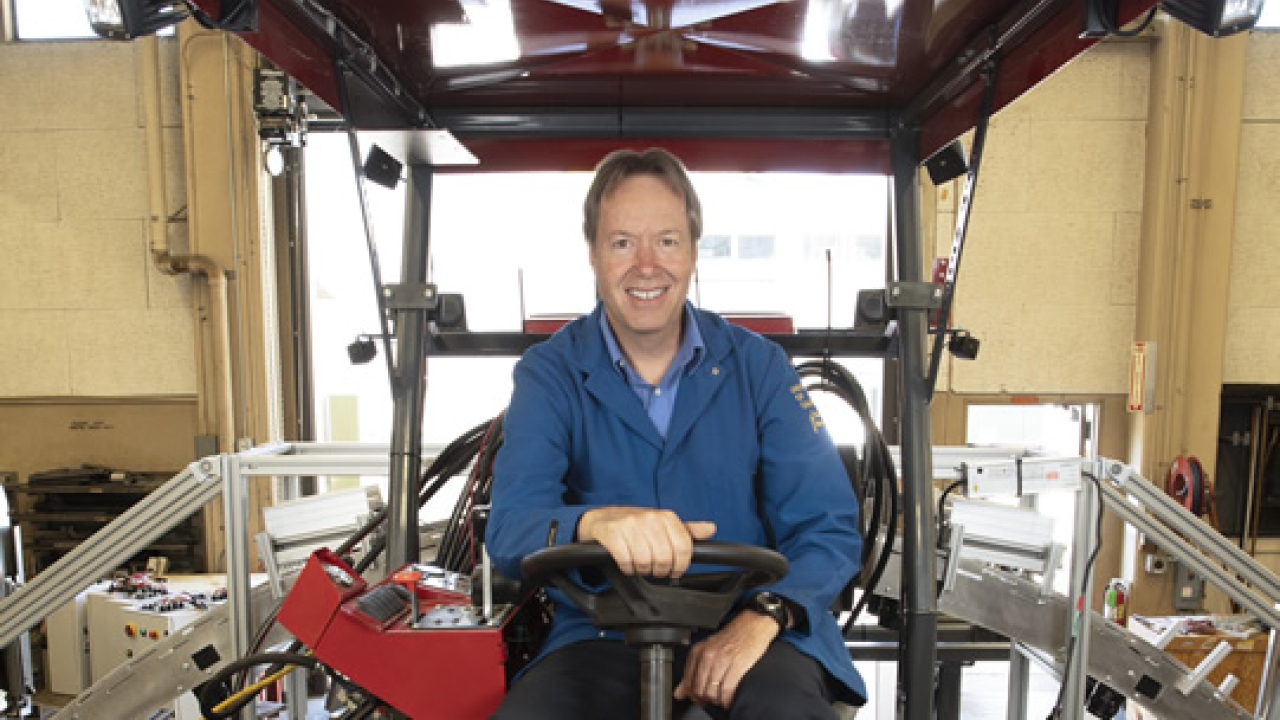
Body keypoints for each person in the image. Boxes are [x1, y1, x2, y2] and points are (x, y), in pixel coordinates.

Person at [485, 148, 865, 719]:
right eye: (621, 242)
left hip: (753, 631)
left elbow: (827, 528)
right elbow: (512, 527)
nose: (646, 264)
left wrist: (764, 615)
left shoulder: (759, 368)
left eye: (666, 240)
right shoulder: (549, 373)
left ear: (692, 252)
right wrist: (596, 522)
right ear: (592, 252)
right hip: (601, 635)